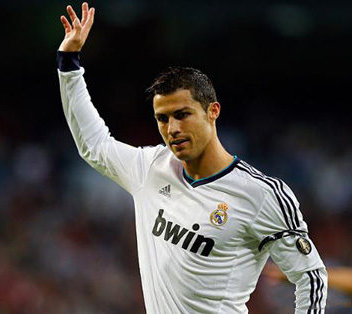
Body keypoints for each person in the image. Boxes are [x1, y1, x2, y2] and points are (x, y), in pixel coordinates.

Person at [57, 3, 328, 313]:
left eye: (182, 115)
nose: (172, 128)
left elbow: (310, 275)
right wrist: (69, 65)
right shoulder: (150, 169)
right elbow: (94, 145)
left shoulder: (261, 195)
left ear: (212, 111)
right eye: (162, 119)